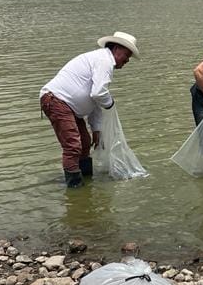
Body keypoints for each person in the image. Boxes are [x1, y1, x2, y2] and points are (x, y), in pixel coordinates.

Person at [40, 32, 139, 187]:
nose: (127, 60)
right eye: (127, 55)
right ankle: (75, 188)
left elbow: (95, 101)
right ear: (117, 49)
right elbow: (99, 93)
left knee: (85, 143)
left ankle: (86, 188)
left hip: (68, 105)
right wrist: (111, 104)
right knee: (73, 146)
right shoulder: (104, 61)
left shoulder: (103, 61)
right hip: (56, 100)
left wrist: (96, 129)